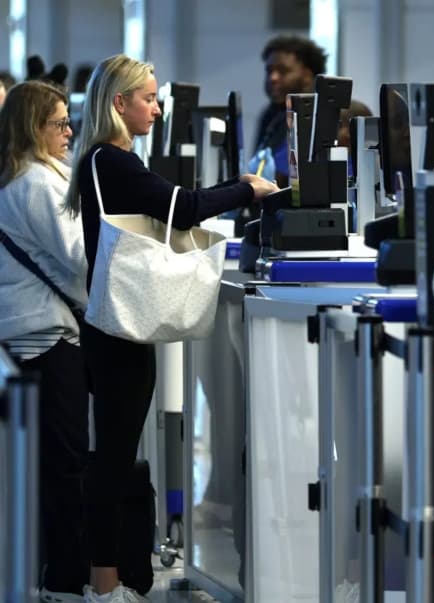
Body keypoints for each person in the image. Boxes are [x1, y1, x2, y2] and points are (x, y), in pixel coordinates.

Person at [64, 54, 277, 603]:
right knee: (113, 457)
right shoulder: (110, 161)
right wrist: (245, 188)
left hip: (115, 329)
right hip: (116, 333)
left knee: (121, 454)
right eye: (148, 99)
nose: (156, 109)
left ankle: (121, 576)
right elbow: (183, 209)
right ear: (119, 103)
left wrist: (235, 188)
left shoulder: (108, 161)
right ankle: (104, 581)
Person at [0, 80, 89, 603]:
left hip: (25, 333)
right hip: (45, 338)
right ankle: (64, 581)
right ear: (35, 128)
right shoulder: (37, 183)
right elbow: (79, 257)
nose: (69, 131)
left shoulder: (20, 178)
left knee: (48, 466)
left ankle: (50, 572)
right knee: (66, 465)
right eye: (59, 122)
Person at [255, 35, 328, 180]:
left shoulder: (316, 115)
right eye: (269, 71)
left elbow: (280, 176)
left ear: (307, 76)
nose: (273, 78)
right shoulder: (271, 114)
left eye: (283, 71)